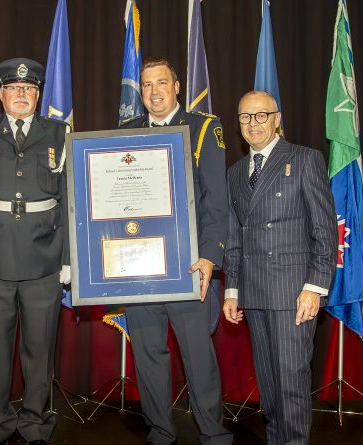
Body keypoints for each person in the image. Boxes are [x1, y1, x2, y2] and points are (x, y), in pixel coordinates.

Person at [119, 57, 232, 445]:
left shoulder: (203, 129)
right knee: (149, 355)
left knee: (198, 356)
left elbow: (217, 200)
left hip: (188, 265)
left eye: (161, 83)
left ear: (177, 86)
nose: (154, 92)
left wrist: (209, 257)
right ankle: (160, 430)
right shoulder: (126, 131)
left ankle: (213, 433)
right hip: (140, 266)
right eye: (147, 85)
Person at [0, 58, 70, 445]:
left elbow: (71, 200)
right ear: (1, 94)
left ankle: (36, 423)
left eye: (29, 90)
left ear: (38, 96)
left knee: (40, 349)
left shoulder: (59, 132)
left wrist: (69, 259)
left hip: (45, 258)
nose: (22, 95)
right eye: (14, 89)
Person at [223, 90, 337, 445]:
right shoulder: (236, 172)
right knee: (270, 391)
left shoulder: (305, 159)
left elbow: (325, 231)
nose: (252, 124)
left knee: (291, 388)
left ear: (277, 119)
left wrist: (315, 287)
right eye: (245, 117)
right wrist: (231, 289)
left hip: (293, 293)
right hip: (255, 294)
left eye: (261, 116)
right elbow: (235, 234)